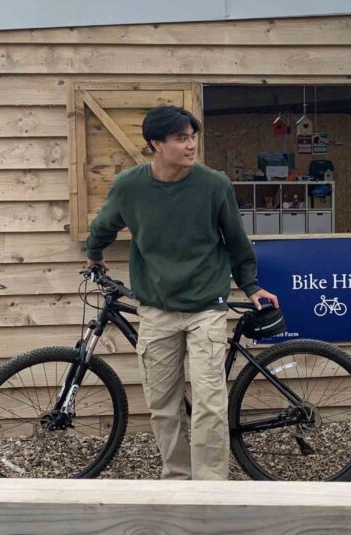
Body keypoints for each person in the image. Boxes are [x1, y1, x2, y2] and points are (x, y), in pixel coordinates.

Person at [85, 105, 279, 480]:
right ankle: (176, 479)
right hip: (156, 308)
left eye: (193, 137)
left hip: (207, 307)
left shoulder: (213, 184)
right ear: (156, 143)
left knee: (209, 403)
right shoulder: (130, 186)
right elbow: (105, 225)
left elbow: (237, 241)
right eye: (181, 138)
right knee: (162, 405)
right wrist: (94, 256)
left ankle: (210, 488)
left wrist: (251, 285)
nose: (191, 145)